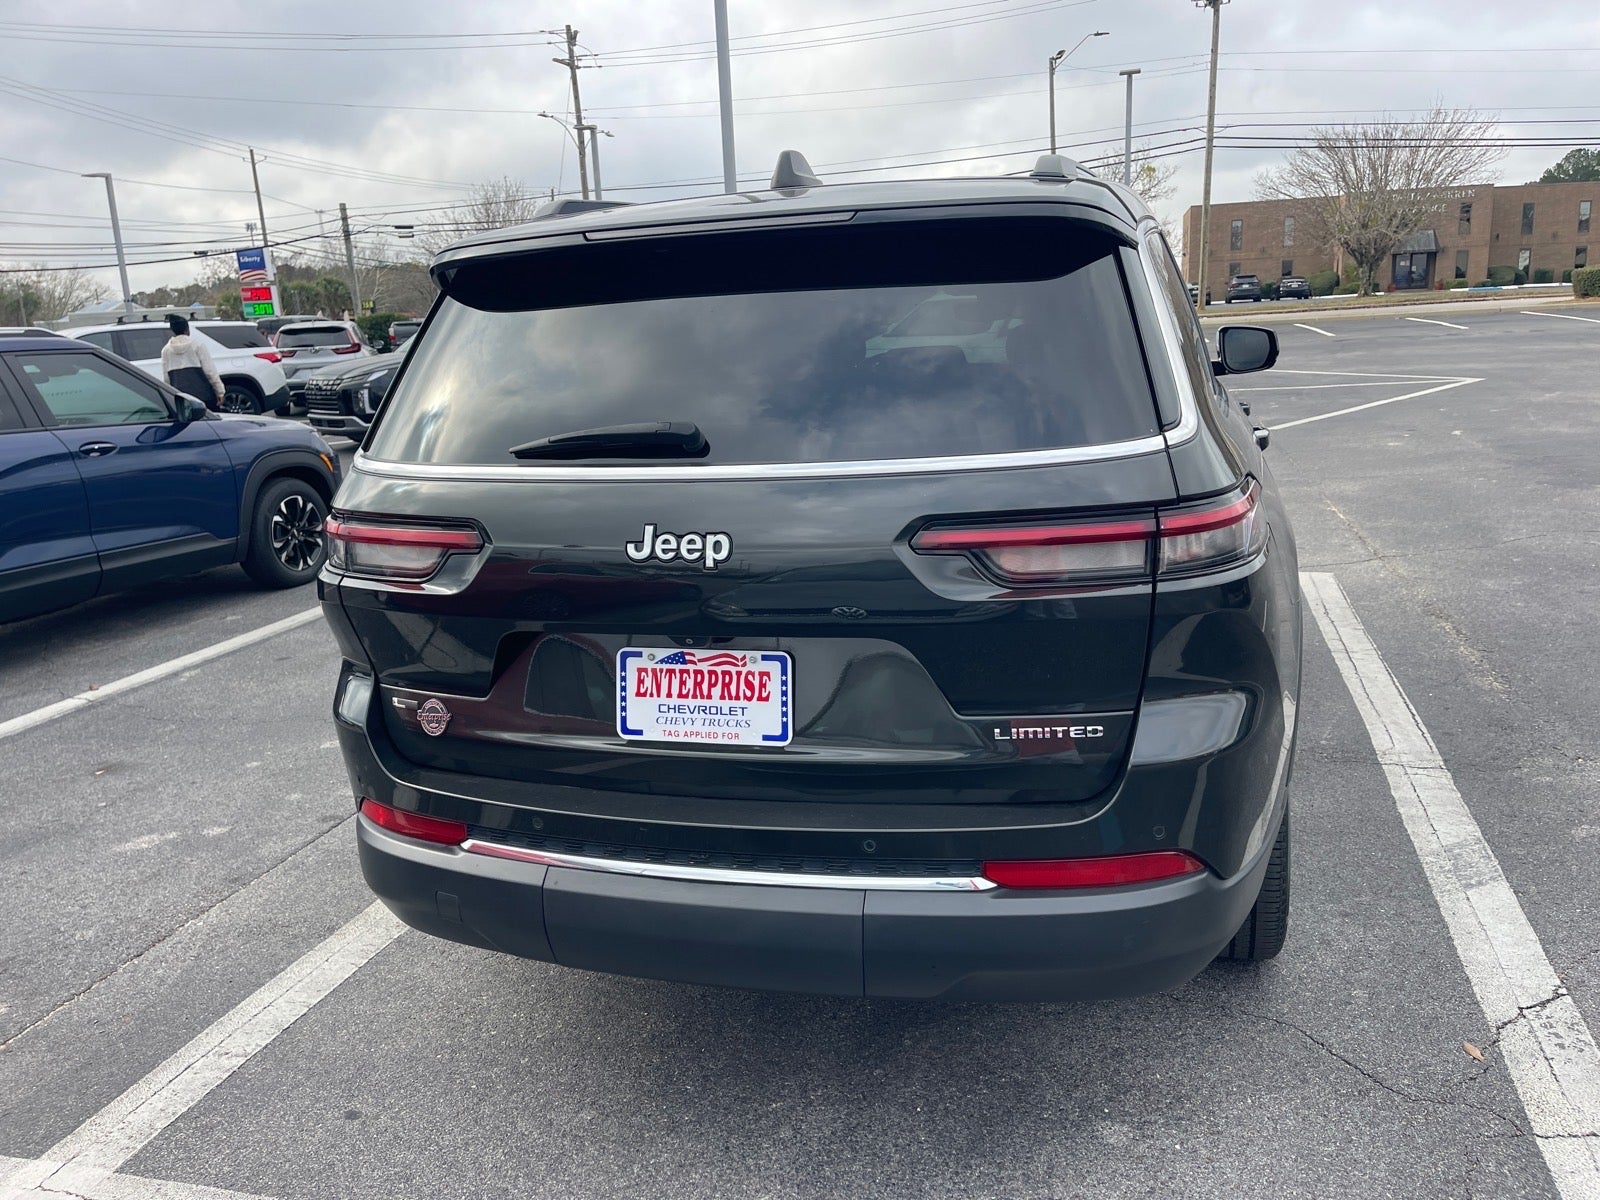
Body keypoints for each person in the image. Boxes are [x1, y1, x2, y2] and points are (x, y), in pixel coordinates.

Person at [160, 314, 225, 411]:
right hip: (204, 396)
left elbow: (166, 378)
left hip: (181, 398)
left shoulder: (166, 350)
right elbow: (210, 372)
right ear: (187, 329)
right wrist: (220, 392)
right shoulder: (197, 345)